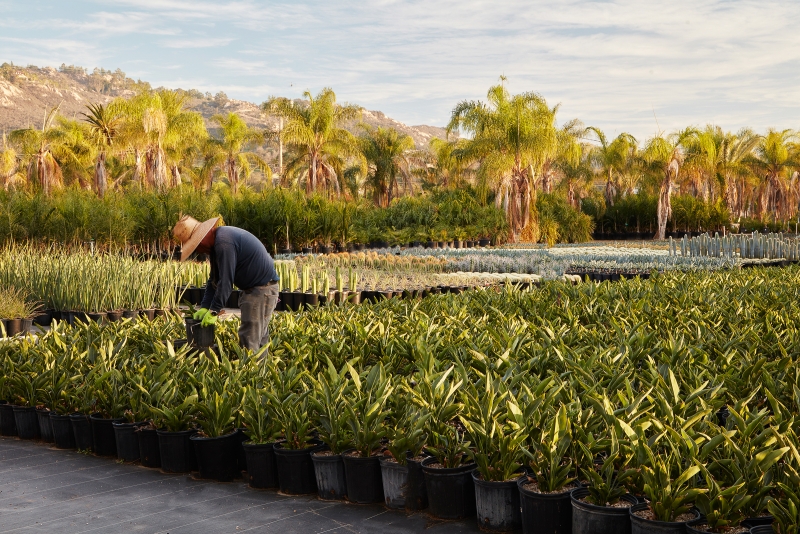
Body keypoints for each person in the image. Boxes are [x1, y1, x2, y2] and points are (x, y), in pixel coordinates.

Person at [172, 215, 279, 354]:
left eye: (196, 246)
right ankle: (261, 372)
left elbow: (226, 283)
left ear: (203, 238)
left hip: (261, 290)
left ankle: (252, 373)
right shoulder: (218, 243)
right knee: (258, 338)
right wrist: (205, 307)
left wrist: (214, 311)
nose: (198, 251)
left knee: (250, 338)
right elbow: (214, 280)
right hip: (258, 289)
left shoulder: (224, 243)